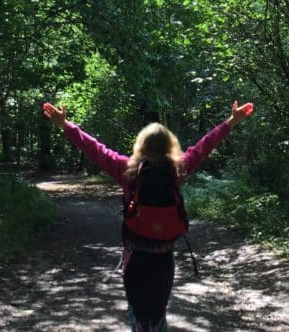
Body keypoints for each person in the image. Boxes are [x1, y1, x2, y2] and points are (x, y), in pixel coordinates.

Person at [42, 100, 254, 332]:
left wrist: (65, 125)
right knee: (157, 312)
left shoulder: (127, 170)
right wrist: (232, 121)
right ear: (169, 146)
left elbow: (95, 149)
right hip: (164, 258)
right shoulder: (178, 170)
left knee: (139, 313)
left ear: (141, 145)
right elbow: (204, 146)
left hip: (136, 258)